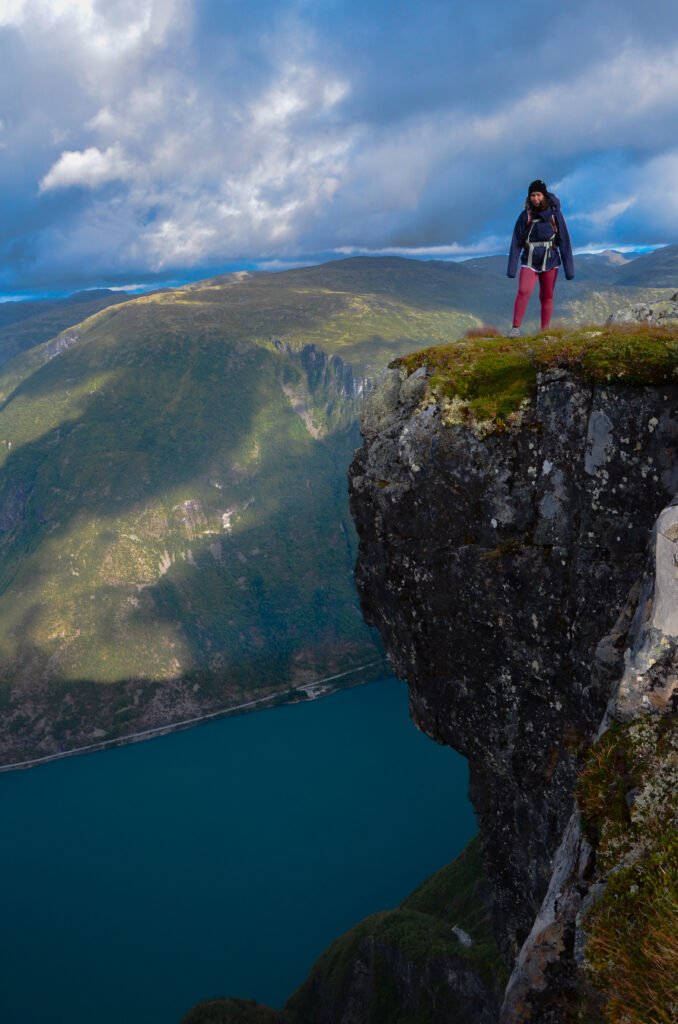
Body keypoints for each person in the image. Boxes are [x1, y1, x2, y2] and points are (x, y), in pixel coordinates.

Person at [506, 179, 574, 337]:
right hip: (529, 260)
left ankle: (545, 332)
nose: (535, 198)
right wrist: (511, 269)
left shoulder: (555, 215)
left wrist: (569, 270)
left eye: (538, 195)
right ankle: (515, 328)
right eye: (532, 195)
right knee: (523, 291)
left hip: (550, 261)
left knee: (547, 296)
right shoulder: (525, 216)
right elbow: (516, 242)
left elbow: (564, 239)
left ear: (544, 195)